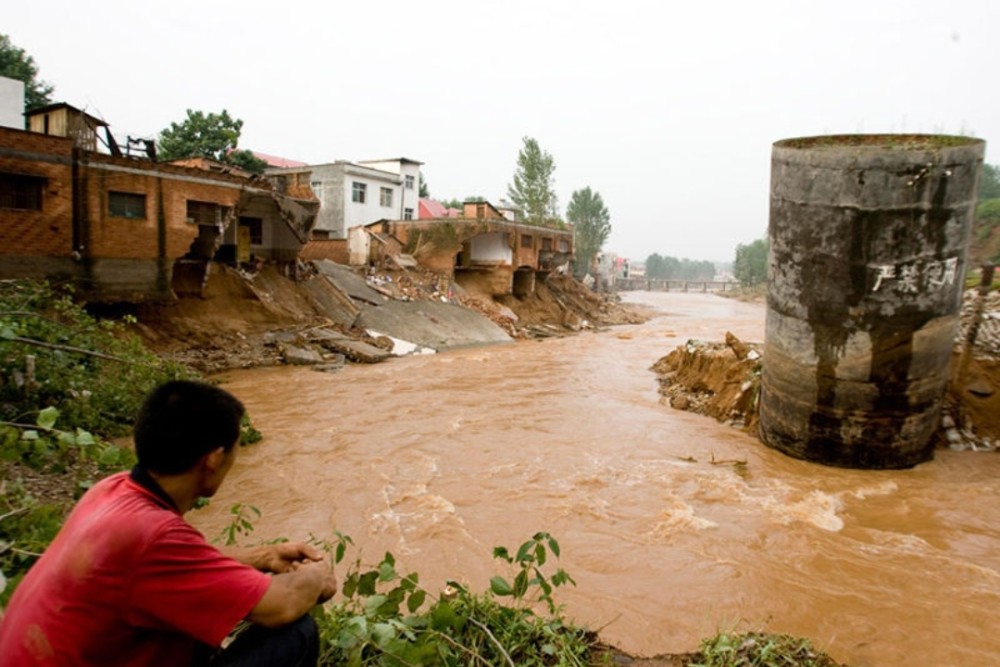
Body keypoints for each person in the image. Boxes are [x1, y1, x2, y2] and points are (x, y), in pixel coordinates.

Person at [0, 380, 337, 666]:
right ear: (214, 459)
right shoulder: (153, 535)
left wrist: (263, 557)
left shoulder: (113, 490)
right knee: (296, 634)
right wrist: (316, 576)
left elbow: (168, 567)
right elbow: (282, 606)